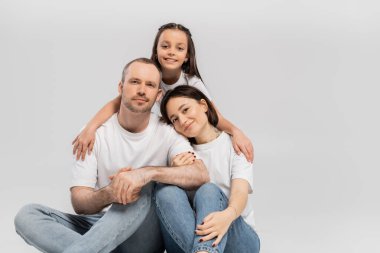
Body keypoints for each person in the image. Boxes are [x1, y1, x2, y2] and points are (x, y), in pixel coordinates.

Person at [14, 58, 209, 253]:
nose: (142, 90)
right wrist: (111, 193)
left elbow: (200, 174)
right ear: (121, 87)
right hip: (102, 225)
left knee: (142, 186)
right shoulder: (93, 135)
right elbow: (79, 202)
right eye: (135, 82)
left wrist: (144, 175)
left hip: (143, 234)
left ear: (158, 95)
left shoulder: (167, 131)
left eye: (150, 85)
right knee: (27, 215)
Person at [72, 23, 254, 163]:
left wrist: (236, 132)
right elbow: (116, 104)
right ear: (156, 50)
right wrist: (90, 128)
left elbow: (215, 117)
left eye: (179, 48)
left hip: (188, 139)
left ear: (187, 56)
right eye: (165, 46)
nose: (171, 52)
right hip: (163, 140)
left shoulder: (193, 83)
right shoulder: (150, 77)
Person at [155, 85, 260, 253]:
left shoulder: (235, 145)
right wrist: (175, 172)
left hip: (237, 236)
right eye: (174, 119)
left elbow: (240, 192)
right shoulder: (181, 152)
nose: (182, 120)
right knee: (166, 191)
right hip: (195, 235)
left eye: (186, 109)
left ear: (203, 105)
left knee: (208, 190)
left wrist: (227, 216)